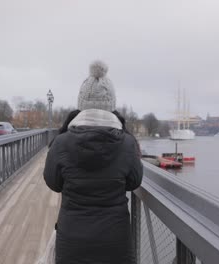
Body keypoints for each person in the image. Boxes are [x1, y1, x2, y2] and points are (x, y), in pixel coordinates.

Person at [44, 61, 143, 264]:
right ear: (112, 105)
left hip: (72, 238)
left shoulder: (61, 142)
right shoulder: (127, 143)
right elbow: (134, 181)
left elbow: (53, 183)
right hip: (115, 240)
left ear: (81, 104)